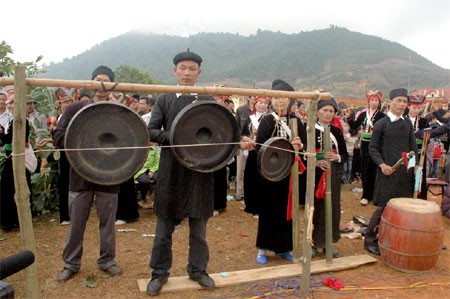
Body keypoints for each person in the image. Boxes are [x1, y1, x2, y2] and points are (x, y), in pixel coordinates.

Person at [146, 50, 217, 296]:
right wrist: (177, 139)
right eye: (183, 68)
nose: (187, 73)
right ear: (174, 71)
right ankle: (159, 273)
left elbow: (221, 134)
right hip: (171, 170)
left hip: (200, 172)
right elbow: (152, 130)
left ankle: (198, 270)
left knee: (199, 231)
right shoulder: (164, 99)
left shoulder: (209, 101)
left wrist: (241, 140)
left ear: (199, 73)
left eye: (192, 69)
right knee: (163, 231)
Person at [53, 66, 123, 282]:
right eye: (97, 79)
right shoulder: (74, 109)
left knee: (108, 223)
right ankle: (71, 263)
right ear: (90, 83)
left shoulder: (118, 111)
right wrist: (83, 141)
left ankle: (107, 260)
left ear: (112, 85)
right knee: (76, 222)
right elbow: (59, 136)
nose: (101, 83)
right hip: (80, 175)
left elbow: (129, 141)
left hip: (109, 176)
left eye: (106, 80)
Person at [252, 79, 305, 264]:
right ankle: (262, 249)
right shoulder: (267, 121)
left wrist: (299, 147)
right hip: (269, 174)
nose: (279, 101)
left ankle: (284, 248)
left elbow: (304, 149)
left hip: (289, 174)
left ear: (290, 100)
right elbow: (259, 148)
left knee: (287, 211)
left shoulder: (297, 122)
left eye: (283, 98)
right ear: (271, 100)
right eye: (275, 97)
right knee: (268, 211)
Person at [364, 88, 418, 255]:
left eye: (404, 102)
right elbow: (372, 149)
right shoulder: (382, 124)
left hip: (404, 174)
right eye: (399, 101)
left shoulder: (408, 123)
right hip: (387, 172)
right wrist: (382, 165)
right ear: (390, 101)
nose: (402, 105)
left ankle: (395, 238)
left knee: (402, 207)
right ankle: (370, 240)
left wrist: (414, 165)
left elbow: (413, 147)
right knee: (383, 207)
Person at [312, 98, 347, 257]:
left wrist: (336, 157)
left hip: (333, 173)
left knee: (332, 207)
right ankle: (312, 241)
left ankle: (328, 243)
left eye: (331, 111)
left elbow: (344, 155)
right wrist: (317, 161)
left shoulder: (337, 131)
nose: (327, 113)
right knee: (316, 208)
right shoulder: (310, 130)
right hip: (316, 174)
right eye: (324, 110)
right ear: (318, 111)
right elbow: (305, 154)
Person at [346, 90, 385, 205]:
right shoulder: (363, 114)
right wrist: (348, 118)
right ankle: (366, 194)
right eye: (372, 100)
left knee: (374, 169)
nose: (374, 102)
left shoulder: (382, 116)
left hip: (376, 144)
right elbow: (354, 125)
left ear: (379, 102)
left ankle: (374, 194)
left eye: (376, 100)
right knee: (365, 169)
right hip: (364, 144)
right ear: (368, 101)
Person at [0, 92, 32, 232]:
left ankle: (13, 220)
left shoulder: (20, 120)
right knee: (10, 189)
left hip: (17, 157)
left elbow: (13, 139)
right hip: (12, 156)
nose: (9, 106)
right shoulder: (13, 120)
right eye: (9, 103)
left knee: (11, 189)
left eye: (12, 103)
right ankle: (11, 220)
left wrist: (2, 135)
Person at [240, 96, 269, 216]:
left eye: (265, 103)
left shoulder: (269, 119)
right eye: (260, 102)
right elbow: (243, 133)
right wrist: (246, 138)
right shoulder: (250, 118)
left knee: (262, 179)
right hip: (252, 151)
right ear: (255, 104)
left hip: (265, 152)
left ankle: (261, 207)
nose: (262, 105)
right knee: (250, 177)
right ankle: (250, 205)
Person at [234, 97, 254, 201]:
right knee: (241, 169)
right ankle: (240, 192)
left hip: (256, 144)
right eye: (253, 96)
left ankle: (251, 192)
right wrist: (241, 139)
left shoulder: (265, 111)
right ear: (249, 98)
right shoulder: (241, 110)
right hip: (243, 143)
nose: (255, 99)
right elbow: (236, 128)